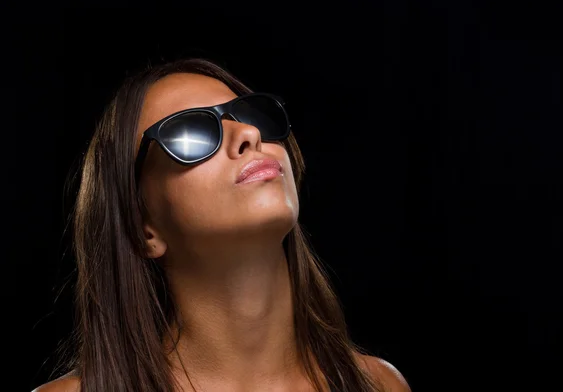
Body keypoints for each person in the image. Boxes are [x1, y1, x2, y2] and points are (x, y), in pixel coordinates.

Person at [33, 57, 411, 392]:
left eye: (253, 115)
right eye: (191, 134)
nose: (249, 135)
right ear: (142, 227)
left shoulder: (379, 385)